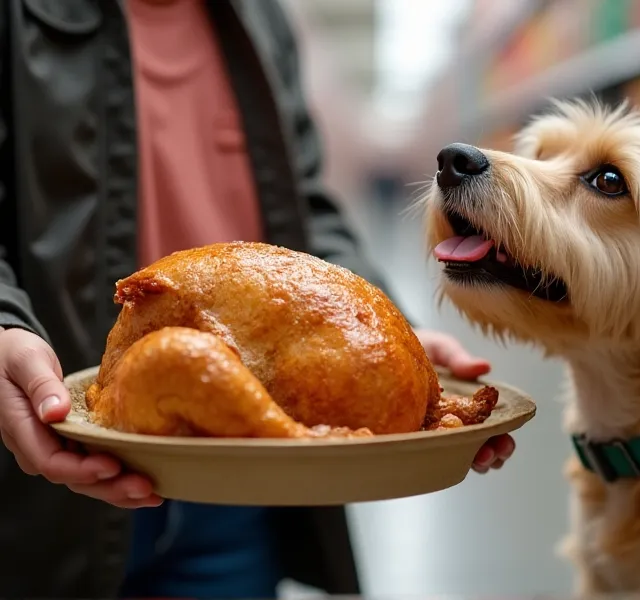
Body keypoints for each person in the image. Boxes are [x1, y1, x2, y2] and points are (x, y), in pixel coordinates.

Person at [0, 1, 515, 598]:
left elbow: (305, 209)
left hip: (243, 467)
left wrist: (387, 337)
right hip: (65, 442)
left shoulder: (258, 18)